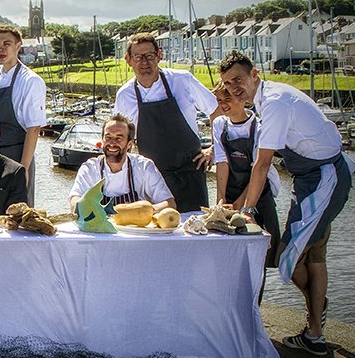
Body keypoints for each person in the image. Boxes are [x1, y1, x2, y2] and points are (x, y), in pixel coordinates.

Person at [219, 50, 354, 356]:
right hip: (314, 177)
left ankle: (315, 320)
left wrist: (247, 211)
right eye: (228, 84)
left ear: (255, 75)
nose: (233, 88)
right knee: (314, 255)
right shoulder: (271, 98)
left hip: (323, 179)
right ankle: (316, 329)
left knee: (287, 258)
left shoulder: (276, 104)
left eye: (238, 79)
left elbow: (262, 164)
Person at [113, 32, 220, 212]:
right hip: (152, 177)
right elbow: (120, 136)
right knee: (156, 230)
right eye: (138, 57)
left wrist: (213, 149)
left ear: (159, 55)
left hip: (190, 172)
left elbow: (216, 111)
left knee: (195, 231)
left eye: (150, 56)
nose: (144, 63)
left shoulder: (182, 80)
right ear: (128, 60)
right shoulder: (125, 95)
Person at [211, 82, 281, 279]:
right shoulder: (219, 124)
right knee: (231, 252)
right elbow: (222, 161)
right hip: (231, 192)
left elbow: (259, 169)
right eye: (219, 100)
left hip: (259, 194)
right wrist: (221, 199)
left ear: (242, 99)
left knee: (264, 252)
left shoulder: (258, 127)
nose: (223, 105)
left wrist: (241, 203)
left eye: (227, 99)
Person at [0, 25, 46, 205]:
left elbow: (34, 128)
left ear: (18, 46)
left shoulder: (30, 81)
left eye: (7, 44)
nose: (1, 49)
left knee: (19, 211)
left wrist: (24, 169)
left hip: (19, 153)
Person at [68, 114, 175, 214]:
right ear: (102, 140)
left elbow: (169, 204)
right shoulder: (89, 169)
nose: (112, 143)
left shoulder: (144, 167)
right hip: (99, 231)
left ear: (129, 144)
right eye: (108, 137)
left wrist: (143, 211)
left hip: (136, 231)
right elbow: (75, 201)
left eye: (119, 138)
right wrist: (81, 207)